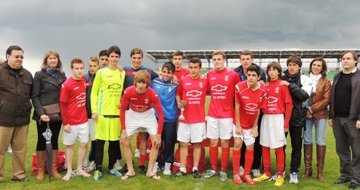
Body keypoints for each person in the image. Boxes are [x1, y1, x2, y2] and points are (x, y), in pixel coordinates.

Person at [253, 62, 293, 187]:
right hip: (266, 118)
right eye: (269, 70)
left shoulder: (282, 85)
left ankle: (280, 174)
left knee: (278, 147)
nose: (271, 72)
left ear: (279, 72)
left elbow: (289, 104)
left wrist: (286, 123)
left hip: (277, 118)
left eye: (274, 70)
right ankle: (267, 172)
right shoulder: (265, 86)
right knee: (264, 146)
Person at [120, 70, 164, 180]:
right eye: (139, 82)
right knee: (125, 141)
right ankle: (130, 170)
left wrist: (158, 135)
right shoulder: (128, 91)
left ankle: (150, 171)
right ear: (135, 82)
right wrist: (123, 130)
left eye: (144, 83)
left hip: (147, 115)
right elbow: (121, 111)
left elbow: (161, 114)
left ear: (147, 84)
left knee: (155, 142)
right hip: (133, 115)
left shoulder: (152, 93)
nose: (141, 85)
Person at [203, 51, 240, 182]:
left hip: (227, 115)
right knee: (213, 141)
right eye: (215, 59)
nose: (217, 61)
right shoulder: (209, 75)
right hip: (212, 114)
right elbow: (204, 89)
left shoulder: (233, 75)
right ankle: (213, 168)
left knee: (224, 142)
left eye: (219, 59)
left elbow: (238, 93)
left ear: (224, 60)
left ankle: (223, 170)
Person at [122, 48, 159, 174]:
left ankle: (144, 166)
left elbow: (160, 76)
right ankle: (129, 167)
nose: (136, 60)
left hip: (146, 111)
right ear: (131, 58)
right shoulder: (124, 70)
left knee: (146, 139)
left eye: (139, 58)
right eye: (134, 57)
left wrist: (173, 78)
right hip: (130, 110)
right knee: (125, 139)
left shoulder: (147, 71)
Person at [91, 45, 126, 180]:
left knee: (113, 143)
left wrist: (122, 100)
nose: (114, 59)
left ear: (119, 58)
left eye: (116, 56)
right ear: (108, 57)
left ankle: (111, 168)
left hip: (116, 114)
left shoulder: (121, 73)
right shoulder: (101, 72)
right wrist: (94, 111)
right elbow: (94, 93)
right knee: (100, 142)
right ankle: (98, 169)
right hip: (102, 114)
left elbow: (122, 91)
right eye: (112, 56)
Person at [32, 50, 67, 180]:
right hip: (43, 114)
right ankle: (41, 170)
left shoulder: (62, 75)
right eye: (50, 58)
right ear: (46, 61)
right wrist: (41, 114)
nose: (53, 60)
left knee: (54, 140)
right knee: (42, 141)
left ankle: (53, 169)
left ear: (58, 61)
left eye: (55, 58)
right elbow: (34, 96)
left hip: (57, 114)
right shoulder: (39, 75)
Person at [0, 45, 33, 182]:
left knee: (20, 150)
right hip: (3, 119)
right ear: (8, 56)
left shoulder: (27, 74)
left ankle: (19, 175)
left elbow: (32, 95)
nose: (20, 59)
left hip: (22, 119)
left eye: (21, 57)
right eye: (16, 56)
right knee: (0, 150)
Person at [330, 51, 360, 189]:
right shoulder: (337, 76)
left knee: (357, 150)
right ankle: (345, 175)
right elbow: (332, 97)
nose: (345, 61)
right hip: (337, 119)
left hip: (353, 119)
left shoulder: (359, 77)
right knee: (341, 149)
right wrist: (331, 116)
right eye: (343, 59)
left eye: (348, 58)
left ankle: (356, 178)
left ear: (355, 61)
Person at [234, 49, 266, 177]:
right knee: (239, 141)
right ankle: (241, 166)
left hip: (255, 109)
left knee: (255, 140)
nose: (245, 61)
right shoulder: (236, 73)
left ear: (251, 59)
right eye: (243, 59)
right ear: (240, 60)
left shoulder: (260, 71)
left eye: (248, 59)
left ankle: (255, 166)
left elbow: (263, 87)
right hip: (241, 110)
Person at [174, 57, 207, 178]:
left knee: (197, 144)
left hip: (198, 119)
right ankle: (182, 169)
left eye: (195, 68)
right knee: (183, 144)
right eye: (191, 67)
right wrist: (179, 102)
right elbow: (178, 94)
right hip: (184, 119)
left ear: (200, 68)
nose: (193, 70)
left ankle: (195, 168)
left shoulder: (205, 81)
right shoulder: (183, 80)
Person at [281, 55, 312, 184]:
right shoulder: (280, 78)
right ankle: (280, 170)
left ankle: (294, 172)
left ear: (299, 66)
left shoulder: (304, 79)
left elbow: (303, 96)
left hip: (298, 119)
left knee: (296, 148)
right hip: (281, 119)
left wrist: (290, 85)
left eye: (294, 65)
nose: (291, 67)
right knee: (280, 146)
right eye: (289, 65)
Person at [59, 58, 90, 181]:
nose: (79, 71)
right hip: (71, 122)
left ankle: (80, 169)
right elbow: (62, 105)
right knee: (70, 146)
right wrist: (65, 123)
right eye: (76, 68)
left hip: (83, 121)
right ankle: (69, 171)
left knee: (84, 144)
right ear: (72, 69)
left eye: (81, 68)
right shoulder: (67, 84)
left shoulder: (84, 80)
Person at [303, 57, 331, 181]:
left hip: (321, 114)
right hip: (306, 114)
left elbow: (327, 99)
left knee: (320, 141)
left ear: (322, 68)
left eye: (319, 65)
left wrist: (312, 108)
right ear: (311, 66)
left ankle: (320, 172)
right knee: (307, 140)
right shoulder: (304, 78)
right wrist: (307, 109)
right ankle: (308, 170)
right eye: (314, 65)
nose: (316, 67)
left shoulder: (326, 81)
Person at [150, 62, 178, 175]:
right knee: (157, 142)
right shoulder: (154, 82)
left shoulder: (176, 84)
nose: (166, 74)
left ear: (173, 73)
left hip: (170, 118)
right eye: (164, 72)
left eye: (169, 72)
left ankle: (167, 164)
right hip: (156, 118)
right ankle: (156, 163)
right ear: (161, 71)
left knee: (169, 142)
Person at [83, 56, 99, 172]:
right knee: (84, 140)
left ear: (98, 66)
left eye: (94, 66)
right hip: (84, 115)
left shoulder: (101, 77)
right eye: (90, 66)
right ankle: (83, 163)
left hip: (95, 115)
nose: (92, 68)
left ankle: (93, 161)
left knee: (95, 140)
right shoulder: (84, 78)